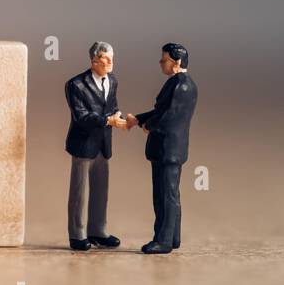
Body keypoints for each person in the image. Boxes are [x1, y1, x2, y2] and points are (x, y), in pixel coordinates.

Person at [127, 43, 197, 255]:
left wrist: (148, 125)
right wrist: (138, 119)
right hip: (169, 149)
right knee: (170, 194)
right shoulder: (179, 83)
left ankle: (164, 240)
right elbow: (160, 111)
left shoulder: (181, 86)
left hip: (168, 149)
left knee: (165, 195)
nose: (160, 63)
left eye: (163, 60)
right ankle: (173, 237)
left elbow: (168, 117)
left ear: (176, 62)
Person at [64, 41, 127, 251]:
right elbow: (81, 116)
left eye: (112, 58)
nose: (110, 62)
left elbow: (112, 106)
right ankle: (77, 234)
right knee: (79, 191)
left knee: (101, 190)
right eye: (105, 59)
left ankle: (98, 231)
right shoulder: (76, 85)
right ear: (93, 60)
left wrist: (117, 116)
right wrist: (108, 121)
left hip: (103, 144)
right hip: (83, 144)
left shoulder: (113, 81)